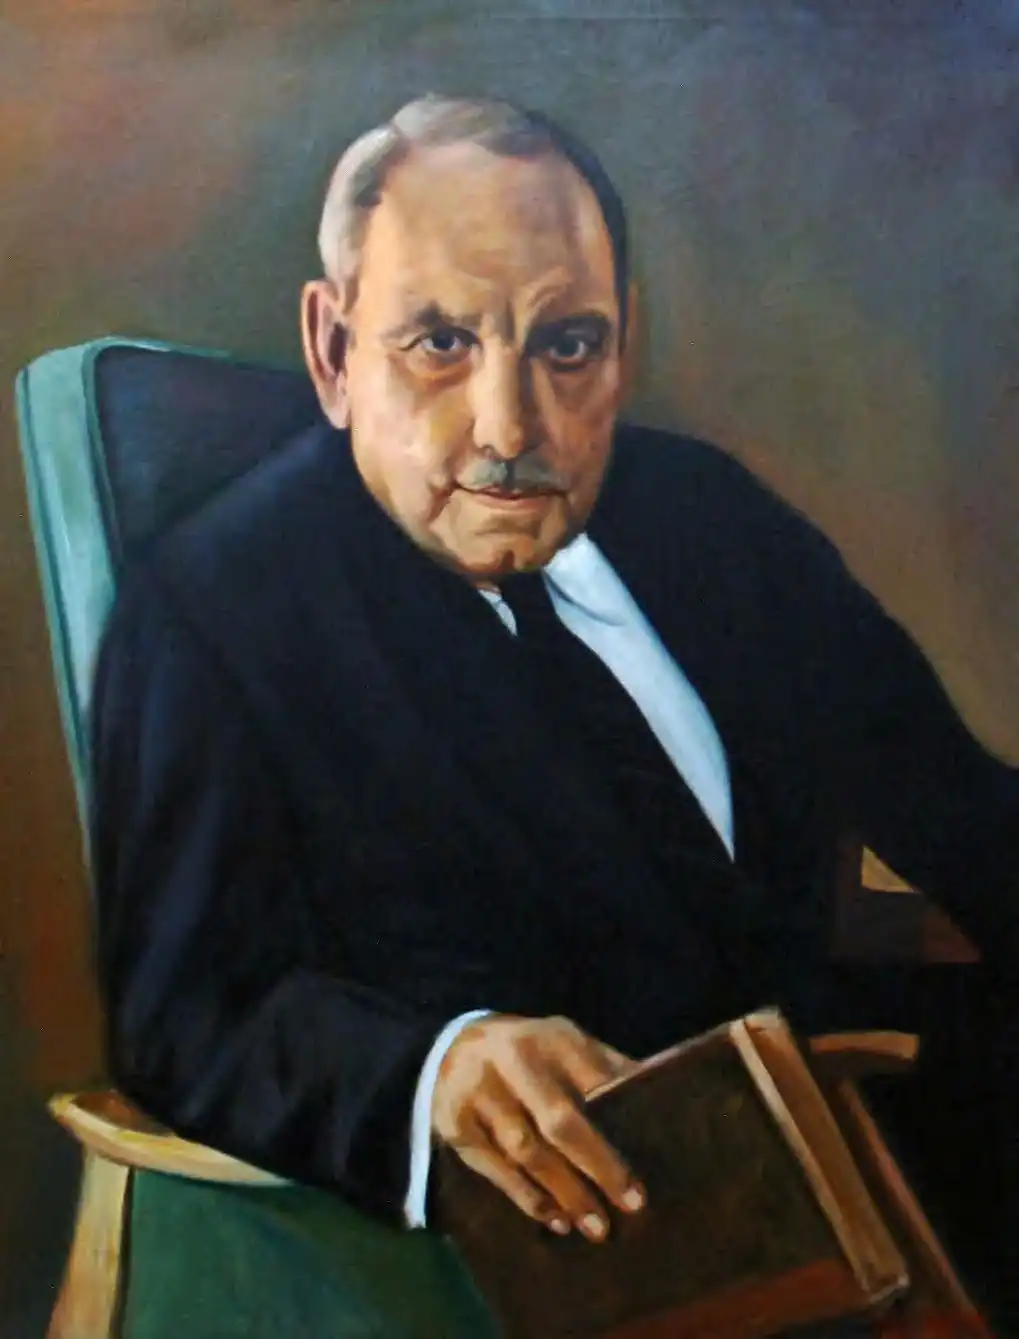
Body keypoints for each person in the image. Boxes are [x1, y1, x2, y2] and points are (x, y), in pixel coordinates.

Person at [91, 94, 1019, 1332]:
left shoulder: (708, 519)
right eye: (439, 342)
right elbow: (193, 1013)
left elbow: (952, 817)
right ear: (331, 349)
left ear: (622, 344)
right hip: (608, 1255)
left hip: (914, 1163)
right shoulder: (215, 615)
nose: (510, 426)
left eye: (566, 346)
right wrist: (439, 1068)